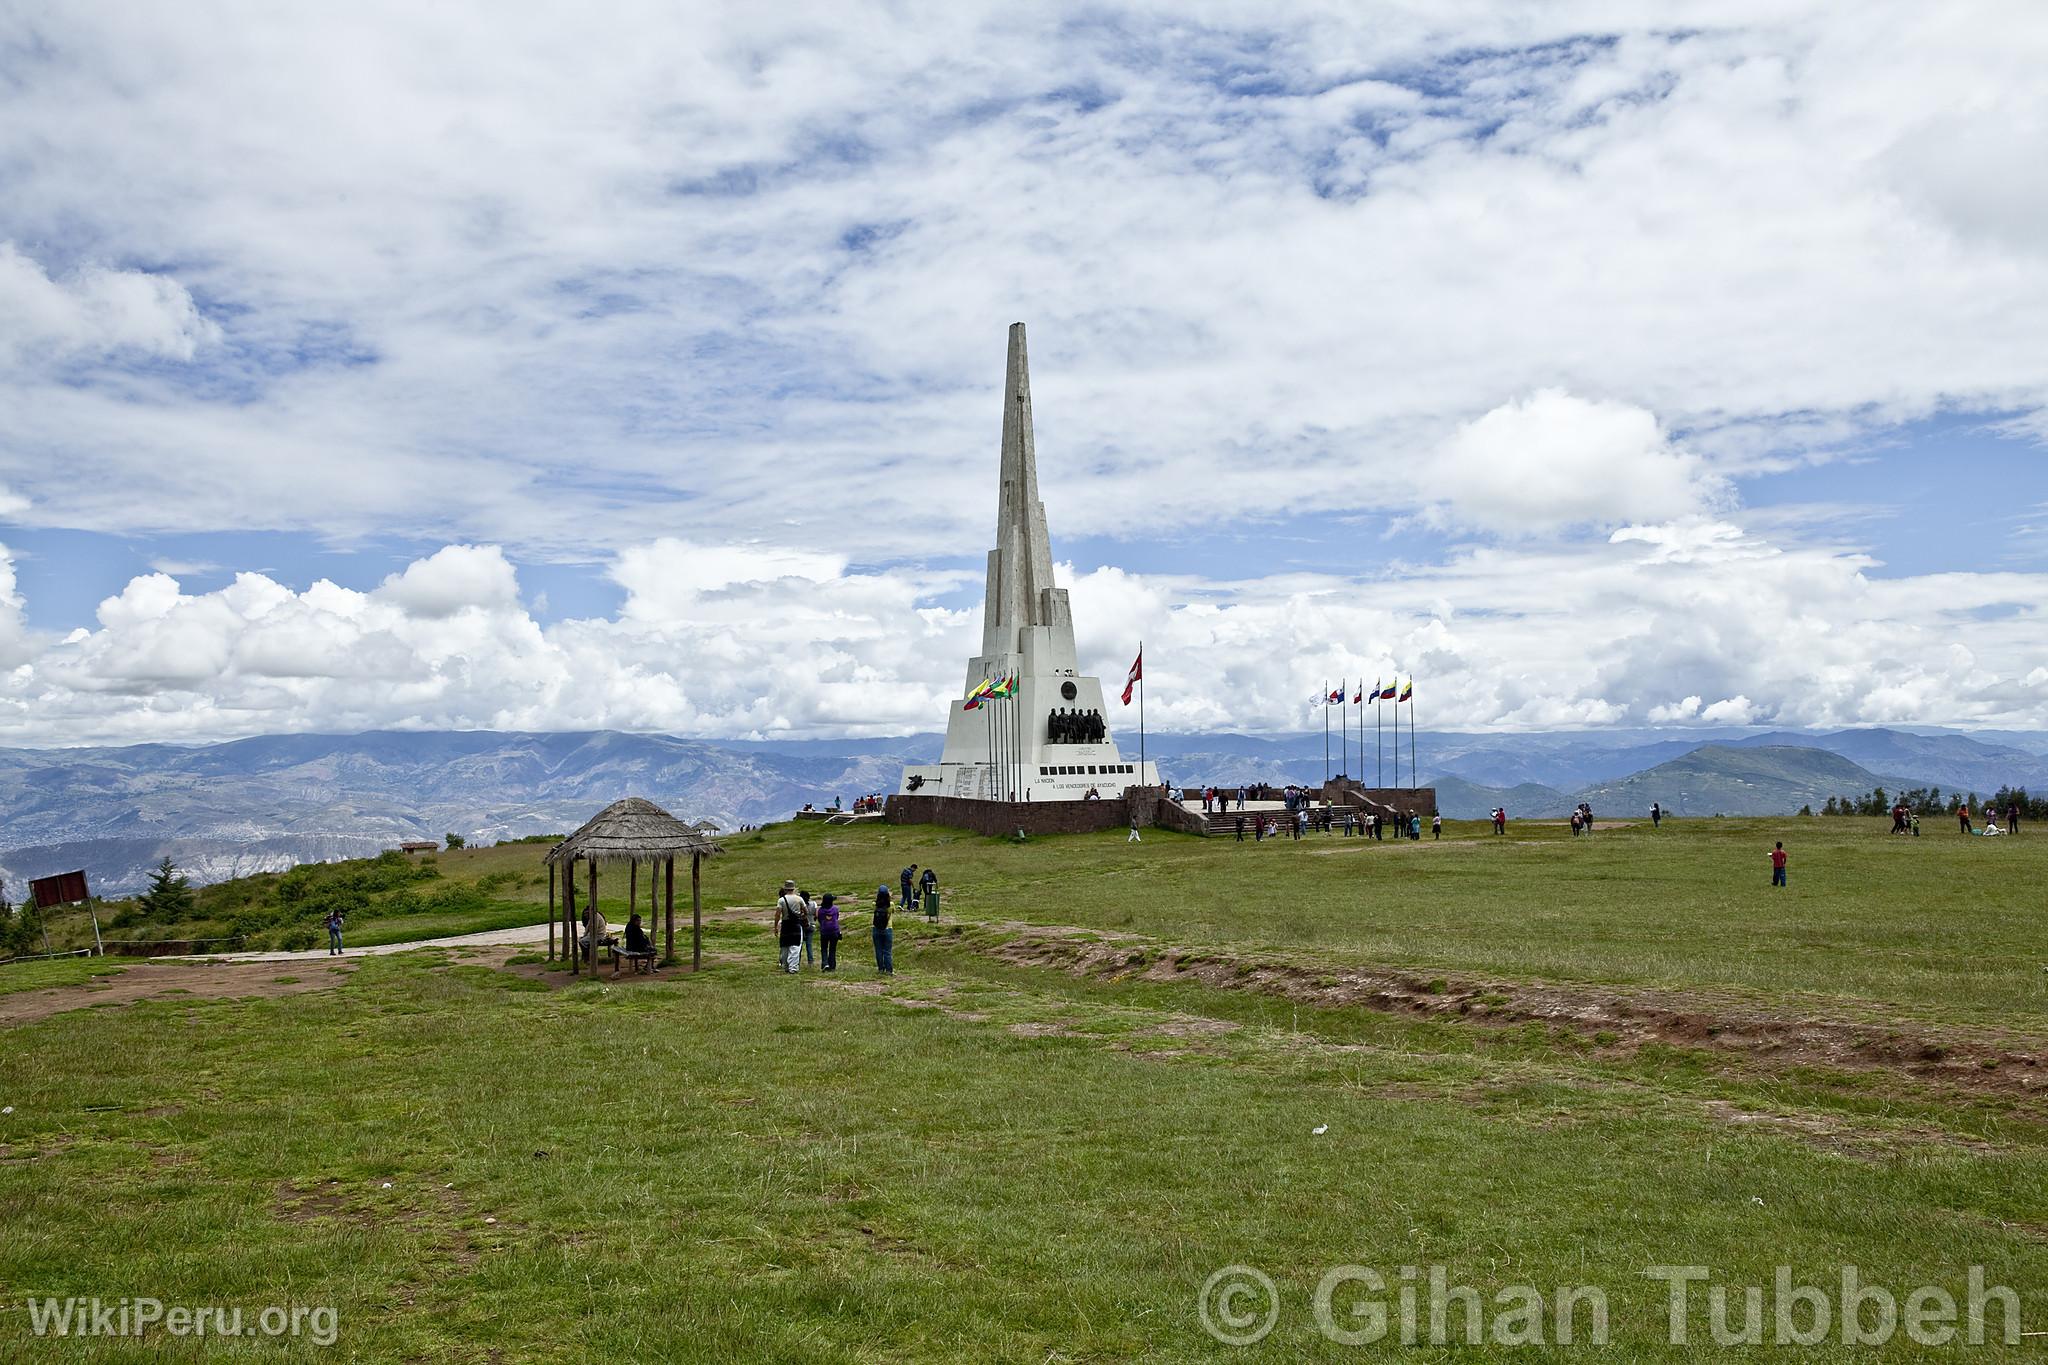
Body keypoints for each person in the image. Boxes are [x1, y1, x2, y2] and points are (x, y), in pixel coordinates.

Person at [775, 881, 806, 973]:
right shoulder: (799, 899)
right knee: (795, 946)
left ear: (785, 889)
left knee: (785, 945)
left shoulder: (781, 900)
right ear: (793, 888)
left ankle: (785, 966)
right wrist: (802, 916)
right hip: (796, 924)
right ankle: (793, 968)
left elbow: (777, 914)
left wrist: (775, 926)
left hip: (785, 924)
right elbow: (805, 911)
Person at [872, 884, 894, 975]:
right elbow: (893, 911)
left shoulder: (874, 904)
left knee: (878, 950)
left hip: (876, 928)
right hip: (888, 928)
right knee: (887, 951)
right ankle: (889, 970)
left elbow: (874, 905)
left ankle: (881, 969)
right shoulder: (891, 905)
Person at [818, 893, 842, 971]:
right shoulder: (835, 909)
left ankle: (825, 963)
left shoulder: (821, 910)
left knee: (824, 948)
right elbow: (837, 918)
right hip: (834, 931)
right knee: (832, 949)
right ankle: (832, 966)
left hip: (824, 931)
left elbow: (819, 920)